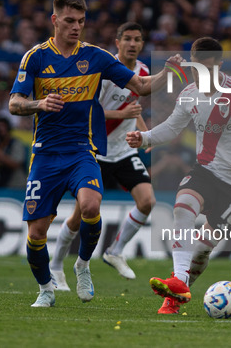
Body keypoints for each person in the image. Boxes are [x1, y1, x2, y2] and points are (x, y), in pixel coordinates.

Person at [8, 0, 176, 307]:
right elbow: (14, 103)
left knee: (90, 206)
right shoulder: (35, 57)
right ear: (54, 20)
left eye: (81, 22)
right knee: (36, 234)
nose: (76, 27)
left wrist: (170, 72)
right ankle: (46, 289)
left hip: (81, 150)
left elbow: (140, 86)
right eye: (69, 21)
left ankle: (83, 265)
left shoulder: (96, 57)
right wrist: (39, 103)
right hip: (45, 153)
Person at [126, 37, 231, 314]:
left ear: (219, 65)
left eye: (207, 66)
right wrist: (144, 137)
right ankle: (176, 286)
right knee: (183, 207)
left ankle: (180, 286)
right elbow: (173, 127)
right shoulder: (188, 94)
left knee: (201, 249)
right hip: (206, 172)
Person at [49, 22, 156, 291]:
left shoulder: (142, 71)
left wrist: (145, 135)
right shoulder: (105, 70)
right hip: (96, 151)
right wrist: (122, 115)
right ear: (117, 42)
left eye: (138, 39)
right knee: (78, 217)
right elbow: (90, 109)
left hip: (123, 151)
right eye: (128, 39)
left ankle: (115, 251)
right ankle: (55, 265)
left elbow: (134, 108)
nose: (133, 44)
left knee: (147, 201)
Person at [0, 117, 27, 188]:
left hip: (16, 185)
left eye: (3, 127)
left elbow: (15, 164)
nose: (0, 130)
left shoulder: (16, 143)